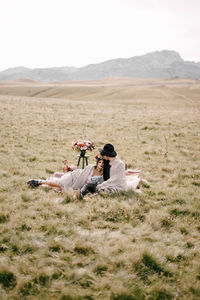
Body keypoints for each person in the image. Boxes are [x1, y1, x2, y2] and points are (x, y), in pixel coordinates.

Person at [27, 157, 104, 198]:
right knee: (60, 184)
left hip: (78, 185)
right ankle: (39, 181)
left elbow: (98, 185)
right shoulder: (91, 167)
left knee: (60, 188)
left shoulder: (103, 175)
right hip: (74, 177)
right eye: (99, 162)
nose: (101, 164)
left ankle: (40, 185)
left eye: (103, 163)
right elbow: (83, 173)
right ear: (97, 163)